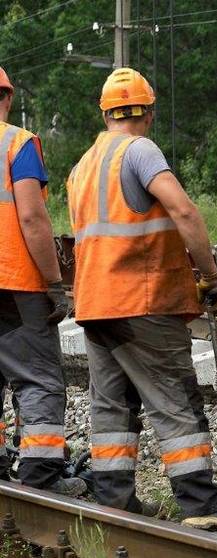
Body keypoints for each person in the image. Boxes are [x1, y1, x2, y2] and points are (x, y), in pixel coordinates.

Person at [65, 68, 217, 528]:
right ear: (148, 113)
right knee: (174, 398)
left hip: (94, 303)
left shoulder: (82, 165)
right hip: (142, 300)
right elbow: (184, 210)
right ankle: (202, 505)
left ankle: (114, 499)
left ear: (106, 113)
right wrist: (210, 274)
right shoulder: (140, 150)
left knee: (112, 405)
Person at [0, 66, 83, 496]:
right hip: (14, 284)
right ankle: (41, 478)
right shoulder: (17, 142)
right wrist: (54, 282)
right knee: (38, 381)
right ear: (8, 99)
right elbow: (31, 215)